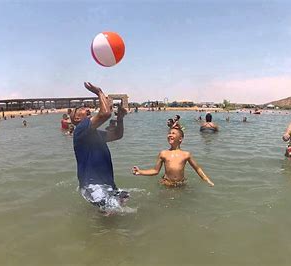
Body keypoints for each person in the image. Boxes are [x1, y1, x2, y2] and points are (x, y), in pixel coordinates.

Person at [71, 82, 129, 213]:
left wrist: (120, 118)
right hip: (92, 185)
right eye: (80, 108)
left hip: (106, 183)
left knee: (124, 199)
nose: (84, 107)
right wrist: (99, 92)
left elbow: (117, 135)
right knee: (112, 213)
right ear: (76, 118)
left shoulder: (94, 133)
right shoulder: (80, 130)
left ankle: (101, 230)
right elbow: (104, 114)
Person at [132, 126, 214, 187]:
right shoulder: (163, 153)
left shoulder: (186, 154)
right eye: (169, 133)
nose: (170, 135)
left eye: (173, 133)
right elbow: (155, 171)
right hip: (167, 183)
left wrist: (207, 180)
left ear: (180, 139)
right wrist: (140, 172)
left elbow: (197, 168)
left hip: (181, 184)